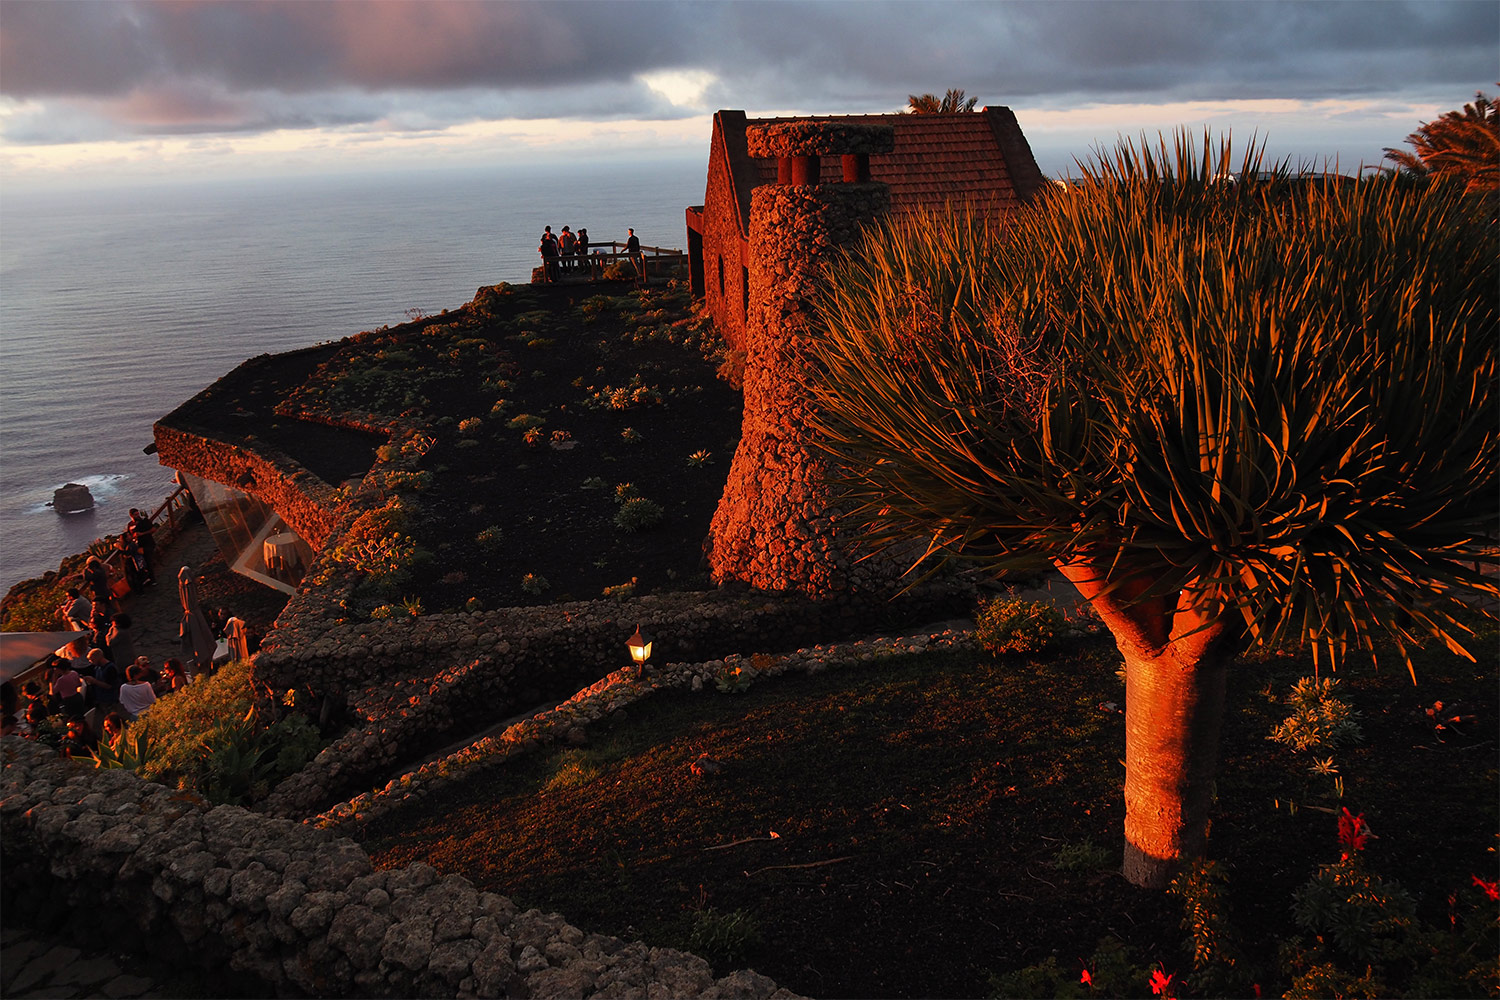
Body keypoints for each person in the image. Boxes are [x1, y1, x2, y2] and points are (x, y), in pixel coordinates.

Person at [128, 508, 156, 583]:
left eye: (138, 514)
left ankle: (153, 580)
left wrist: (142, 534)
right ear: (131, 516)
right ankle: (146, 579)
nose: (137, 516)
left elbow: (153, 529)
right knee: (141, 564)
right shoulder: (130, 525)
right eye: (135, 515)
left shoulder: (144, 521)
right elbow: (129, 535)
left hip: (148, 543)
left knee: (148, 562)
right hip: (138, 547)